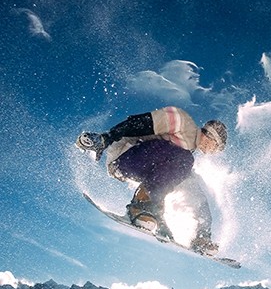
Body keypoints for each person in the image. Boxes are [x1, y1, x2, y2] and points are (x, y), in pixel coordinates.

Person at [76, 106, 227, 255]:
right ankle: (140, 206)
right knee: (185, 160)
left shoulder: (187, 151)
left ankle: (201, 237)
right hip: (125, 158)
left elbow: (169, 183)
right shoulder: (183, 122)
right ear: (212, 137)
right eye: (217, 147)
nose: (214, 152)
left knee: (193, 186)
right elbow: (140, 122)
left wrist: (160, 220)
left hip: (147, 165)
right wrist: (106, 138)